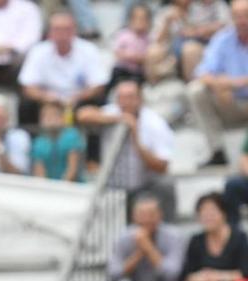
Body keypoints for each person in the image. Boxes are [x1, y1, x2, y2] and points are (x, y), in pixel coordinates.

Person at [77, 80, 175, 217]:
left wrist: (135, 137)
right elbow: (82, 115)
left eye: (130, 97)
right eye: (121, 98)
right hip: (112, 187)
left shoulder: (155, 123)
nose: (125, 102)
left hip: (144, 187)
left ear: (140, 99)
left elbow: (162, 167)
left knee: (164, 187)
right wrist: (119, 119)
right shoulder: (112, 112)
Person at [17, 12, 109, 126]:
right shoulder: (38, 51)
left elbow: (99, 84)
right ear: (49, 32)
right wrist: (47, 98)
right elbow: (27, 86)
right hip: (47, 99)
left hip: (80, 99)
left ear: (75, 30)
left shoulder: (89, 49)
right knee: (26, 105)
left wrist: (77, 97)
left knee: (97, 103)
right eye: (57, 29)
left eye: (67, 29)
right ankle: (32, 141)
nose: (62, 34)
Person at [188, 0, 248, 167]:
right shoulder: (223, 39)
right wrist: (217, 85)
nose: (242, 21)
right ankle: (217, 151)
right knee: (196, 91)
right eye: (237, 16)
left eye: (246, 16)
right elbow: (202, 73)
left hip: (237, 95)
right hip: (230, 102)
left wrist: (230, 83)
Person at [107, 197, 184, 281]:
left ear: (160, 215)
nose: (147, 219)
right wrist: (138, 253)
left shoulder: (173, 236)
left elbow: (172, 274)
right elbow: (114, 274)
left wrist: (148, 248)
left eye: (151, 214)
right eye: (142, 215)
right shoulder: (124, 237)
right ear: (133, 217)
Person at [181, 193, 248, 281]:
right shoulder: (196, 240)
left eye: (212, 213)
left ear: (223, 214)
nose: (207, 217)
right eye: (203, 213)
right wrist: (203, 278)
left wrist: (219, 277)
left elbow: (245, 272)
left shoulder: (239, 237)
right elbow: (187, 275)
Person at [148, 0, 230, 83]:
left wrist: (187, 24)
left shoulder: (198, 8)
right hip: (171, 47)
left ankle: (174, 64)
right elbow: (156, 40)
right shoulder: (165, 12)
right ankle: (169, 64)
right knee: (156, 49)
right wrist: (167, 22)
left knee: (188, 48)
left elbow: (207, 28)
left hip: (197, 43)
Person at [30, 100, 85, 181]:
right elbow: (39, 174)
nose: (50, 119)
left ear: (63, 118)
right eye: (46, 116)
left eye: (54, 115)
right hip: (49, 190)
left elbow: (72, 170)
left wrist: (61, 188)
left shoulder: (72, 135)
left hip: (73, 188)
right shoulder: (38, 143)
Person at [109, 5, 153, 92]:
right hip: (122, 71)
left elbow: (149, 57)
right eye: (136, 18)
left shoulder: (148, 38)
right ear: (130, 20)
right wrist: (133, 57)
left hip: (138, 73)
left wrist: (140, 58)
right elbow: (118, 52)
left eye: (143, 19)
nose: (140, 22)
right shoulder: (123, 34)